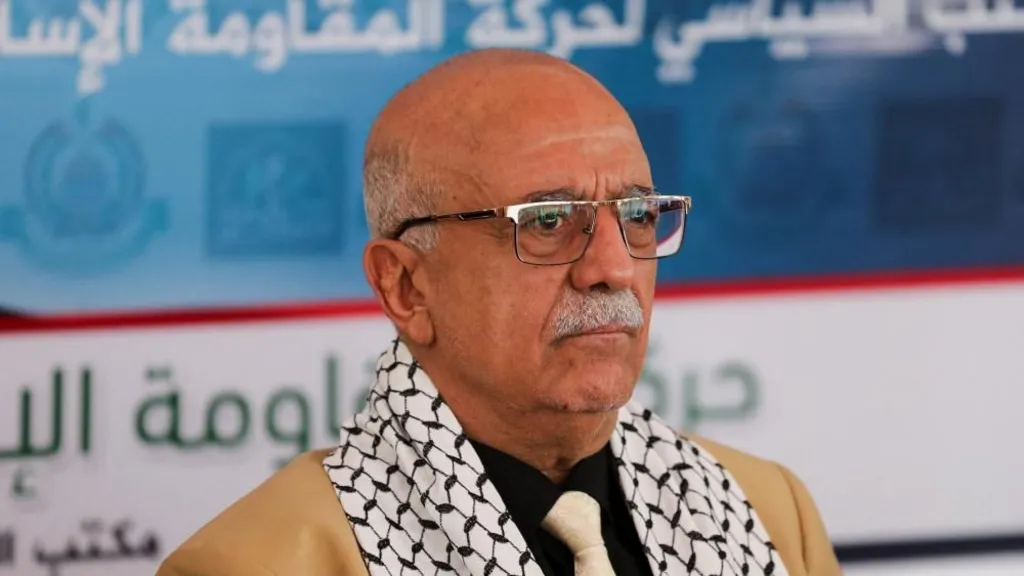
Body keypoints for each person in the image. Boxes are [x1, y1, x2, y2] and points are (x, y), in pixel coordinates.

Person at [157, 49, 842, 576]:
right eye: (547, 221)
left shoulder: (767, 512)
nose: (613, 267)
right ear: (406, 286)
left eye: (637, 215)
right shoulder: (262, 564)